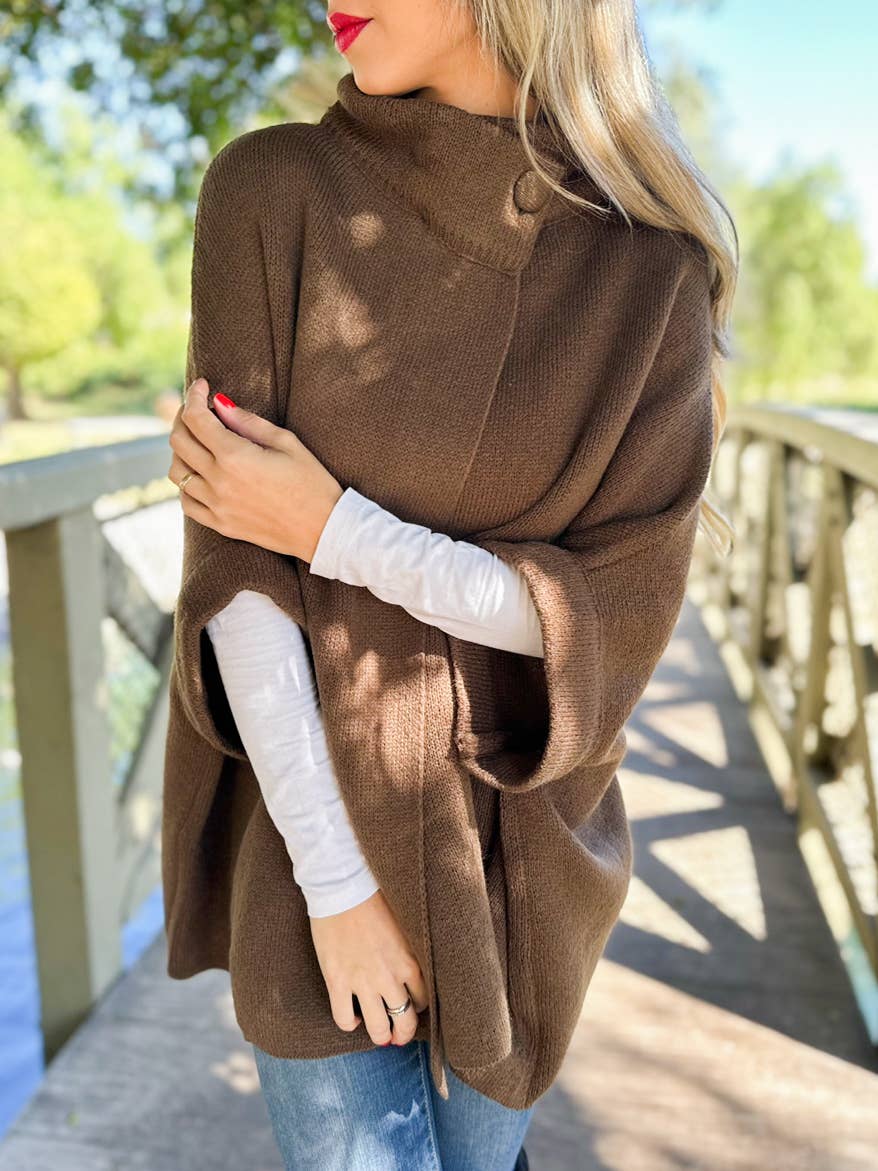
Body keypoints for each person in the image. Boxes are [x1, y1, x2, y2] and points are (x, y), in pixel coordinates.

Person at [164, 1, 737, 1168]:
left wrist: (335, 530)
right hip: (310, 824)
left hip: (523, 856)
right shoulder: (271, 191)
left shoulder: (651, 277)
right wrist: (338, 886)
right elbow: (237, 578)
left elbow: (605, 619)